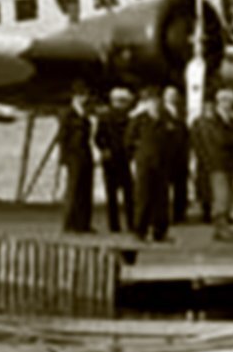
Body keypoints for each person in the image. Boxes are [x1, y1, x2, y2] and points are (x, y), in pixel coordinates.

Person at [191, 92, 233, 241]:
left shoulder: (229, 121)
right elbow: (222, 139)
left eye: (230, 103)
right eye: (225, 103)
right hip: (217, 163)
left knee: (227, 197)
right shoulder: (213, 121)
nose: (228, 106)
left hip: (229, 163)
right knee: (222, 197)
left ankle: (222, 228)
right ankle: (221, 228)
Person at [127, 90, 170, 243]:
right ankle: (140, 231)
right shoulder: (139, 120)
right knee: (143, 198)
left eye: (157, 101)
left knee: (162, 200)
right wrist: (137, 157)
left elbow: (173, 140)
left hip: (162, 164)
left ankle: (160, 232)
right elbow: (128, 141)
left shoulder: (165, 119)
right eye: (152, 102)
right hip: (144, 165)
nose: (155, 105)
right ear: (147, 104)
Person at [93, 89, 135, 234]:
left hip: (119, 159)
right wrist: (105, 149)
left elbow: (98, 138)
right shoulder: (108, 119)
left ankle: (121, 224)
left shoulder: (123, 119)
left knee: (122, 194)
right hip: (114, 160)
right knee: (119, 194)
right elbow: (98, 138)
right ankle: (121, 224)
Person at [55, 86, 95, 233]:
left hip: (85, 153)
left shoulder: (84, 113)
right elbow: (62, 137)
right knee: (73, 189)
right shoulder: (68, 114)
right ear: (75, 97)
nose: (85, 99)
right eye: (82, 95)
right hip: (73, 155)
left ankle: (83, 224)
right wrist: (63, 157)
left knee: (85, 190)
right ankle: (69, 223)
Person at [160, 88, 190, 224]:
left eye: (175, 95)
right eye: (170, 95)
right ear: (164, 97)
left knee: (181, 186)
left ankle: (179, 214)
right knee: (164, 187)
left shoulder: (182, 112)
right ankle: (165, 215)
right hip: (166, 155)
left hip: (181, 155)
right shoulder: (161, 112)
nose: (173, 97)